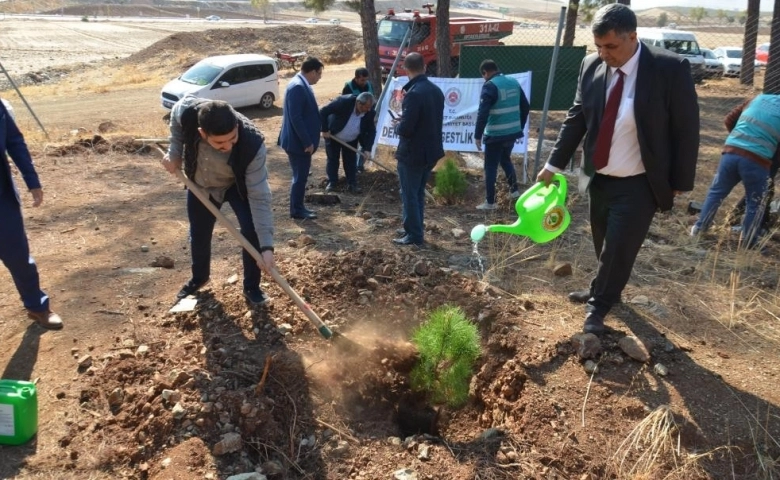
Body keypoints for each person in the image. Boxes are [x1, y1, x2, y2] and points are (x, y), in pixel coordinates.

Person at [537, 4, 699, 335]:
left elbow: (686, 127)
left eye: (611, 46)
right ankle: (606, 289)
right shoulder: (590, 65)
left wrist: (680, 181)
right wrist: (552, 165)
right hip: (599, 177)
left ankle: (598, 307)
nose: (603, 54)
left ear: (633, 37)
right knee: (603, 242)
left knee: (618, 247)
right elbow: (577, 118)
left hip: (640, 182)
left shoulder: (668, 68)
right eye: (598, 46)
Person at [162, 95, 275, 306]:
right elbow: (175, 122)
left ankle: (252, 287)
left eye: (232, 138)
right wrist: (174, 152)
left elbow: (260, 196)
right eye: (220, 143)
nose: (229, 146)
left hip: (235, 185)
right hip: (202, 185)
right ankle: (199, 278)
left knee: (251, 232)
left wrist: (267, 247)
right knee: (199, 234)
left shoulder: (253, 145)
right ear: (202, 133)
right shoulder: (186, 111)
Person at [0, 98, 63, 330]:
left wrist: (32, 181)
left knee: (18, 256)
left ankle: (37, 307)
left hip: (2, 197)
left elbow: (14, 142)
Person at [691, 94, 780, 247]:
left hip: (731, 151)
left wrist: (739, 139)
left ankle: (699, 229)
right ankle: (748, 242)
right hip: (757, 160)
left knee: (716, 192)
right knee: (756, 203)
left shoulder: (757, 98)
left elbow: (729, 119)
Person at [392, 52, 444, 247]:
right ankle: (414, 227)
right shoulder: (435, 90)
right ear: (424, 67)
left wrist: (397, 125)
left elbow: (406, 129)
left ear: (406, 70)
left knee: (409, 194)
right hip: (431, 151)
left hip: (413, 152)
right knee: (418, 193)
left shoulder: (413, 94)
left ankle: (414, 234)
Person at [474, 59, 530, 210]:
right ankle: (514, 191)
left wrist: (477, 135)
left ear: (485, 72)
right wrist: (520, 126)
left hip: (495, 134)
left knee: (490, 166)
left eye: (484, 75)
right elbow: (526, 106)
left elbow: (483, 113)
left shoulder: (490, 86)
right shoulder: (513, 82)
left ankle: (490, 202)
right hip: (511, 133)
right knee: (505, 160)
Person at [279, 57, 324, 220]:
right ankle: (297, 210)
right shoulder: (298, 86)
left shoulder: (302, 84)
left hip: (299, 142)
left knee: (301, 176)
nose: (320, 77)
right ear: (312, 72)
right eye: (319, 74)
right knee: (300, 177)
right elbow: (296, 118)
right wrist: (307, 142)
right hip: (298, 143)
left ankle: (299, 206)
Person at [319, 92, 376, 194]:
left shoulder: (370, 112)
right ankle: (332, 182)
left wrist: (367, 149)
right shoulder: (344, 102)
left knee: (350, 161)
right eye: (366, 107)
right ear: (359, 103)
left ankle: (352, 184)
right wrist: (324, 129)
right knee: (333, 159)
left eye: (370, 107)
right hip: (334, 135)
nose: (368, 110)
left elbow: (371, 130)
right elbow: (323, 111)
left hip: (352, 139)